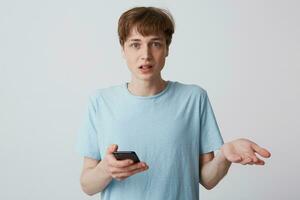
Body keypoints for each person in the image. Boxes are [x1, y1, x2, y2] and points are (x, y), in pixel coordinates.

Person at [76, 6, 271, 200]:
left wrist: (224, 157)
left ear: (167, 48)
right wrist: (105, 169)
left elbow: (207, 180)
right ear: (123, 49)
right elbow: (87, 185)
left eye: (155, 44)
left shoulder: (194, 98)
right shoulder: (101, 101)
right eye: (135, 44)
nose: (146, 54)